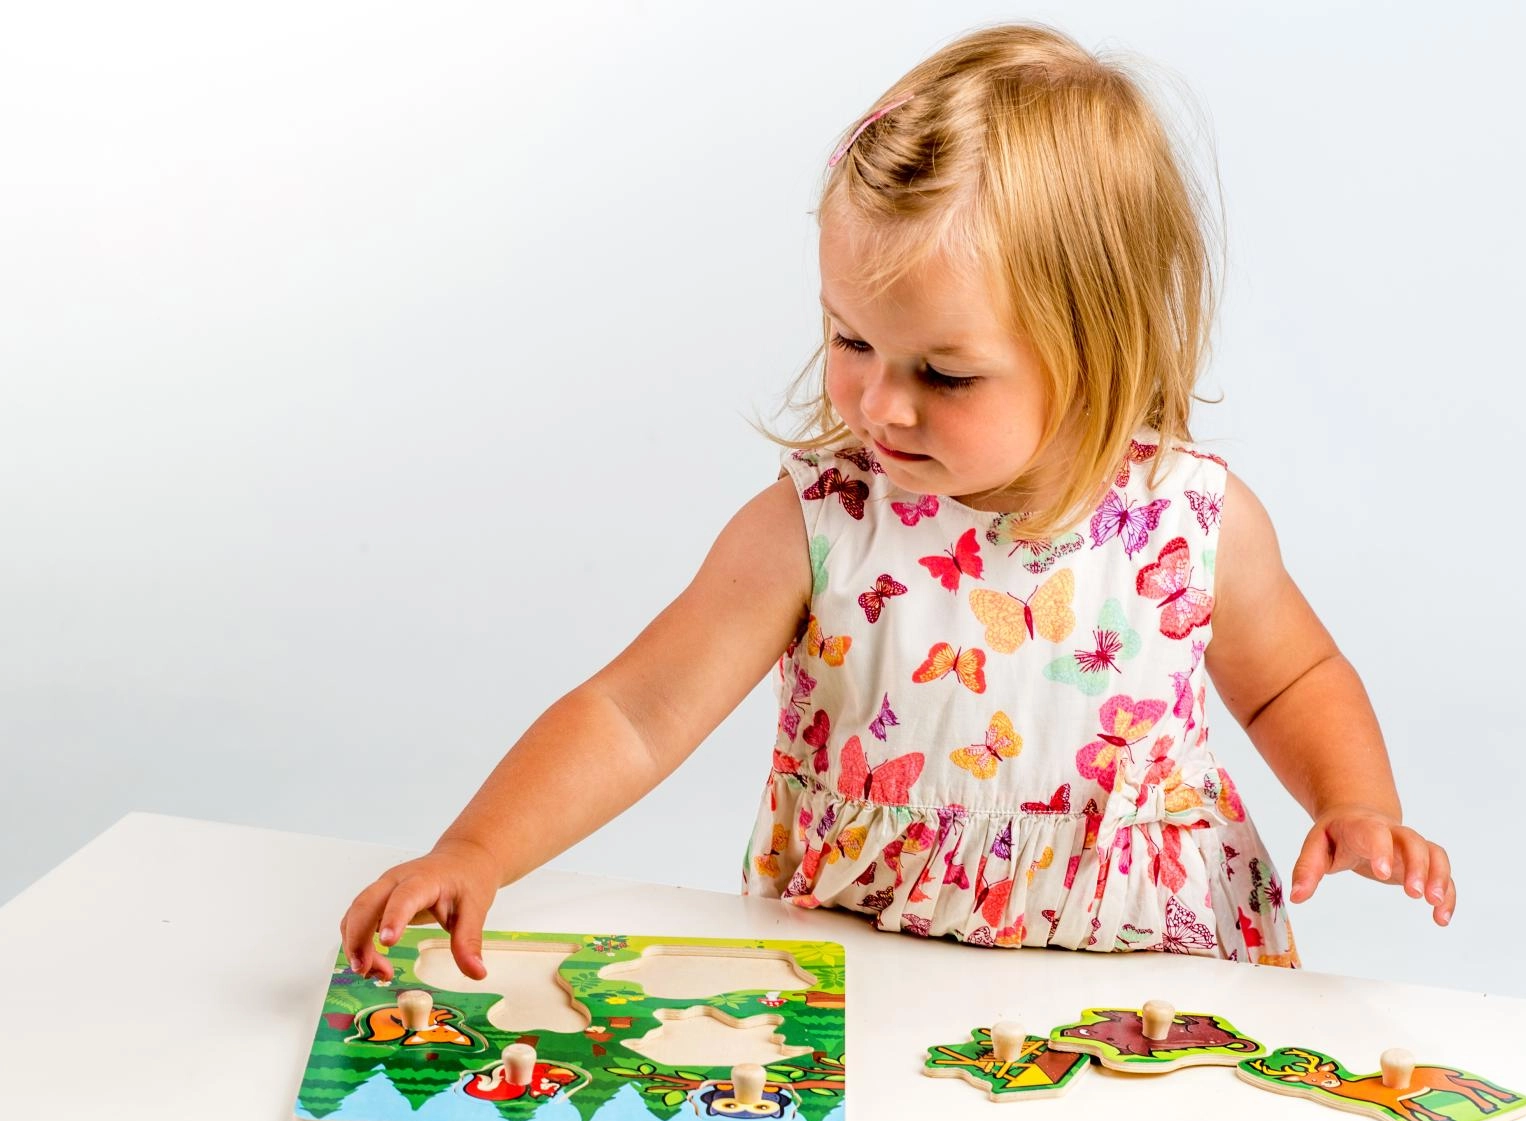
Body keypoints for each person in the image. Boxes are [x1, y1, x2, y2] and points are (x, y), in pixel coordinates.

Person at [341, 21, 1454, 983]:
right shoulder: (819, 526)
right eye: (850, 339)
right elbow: (637, 712)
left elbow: (1294, 679)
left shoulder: (1188, 525)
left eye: (945, 373)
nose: (880, 403)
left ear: (1097, 348)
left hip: (1149, 981)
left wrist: (1355, 802)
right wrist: (477, 849)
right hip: (873, 977)